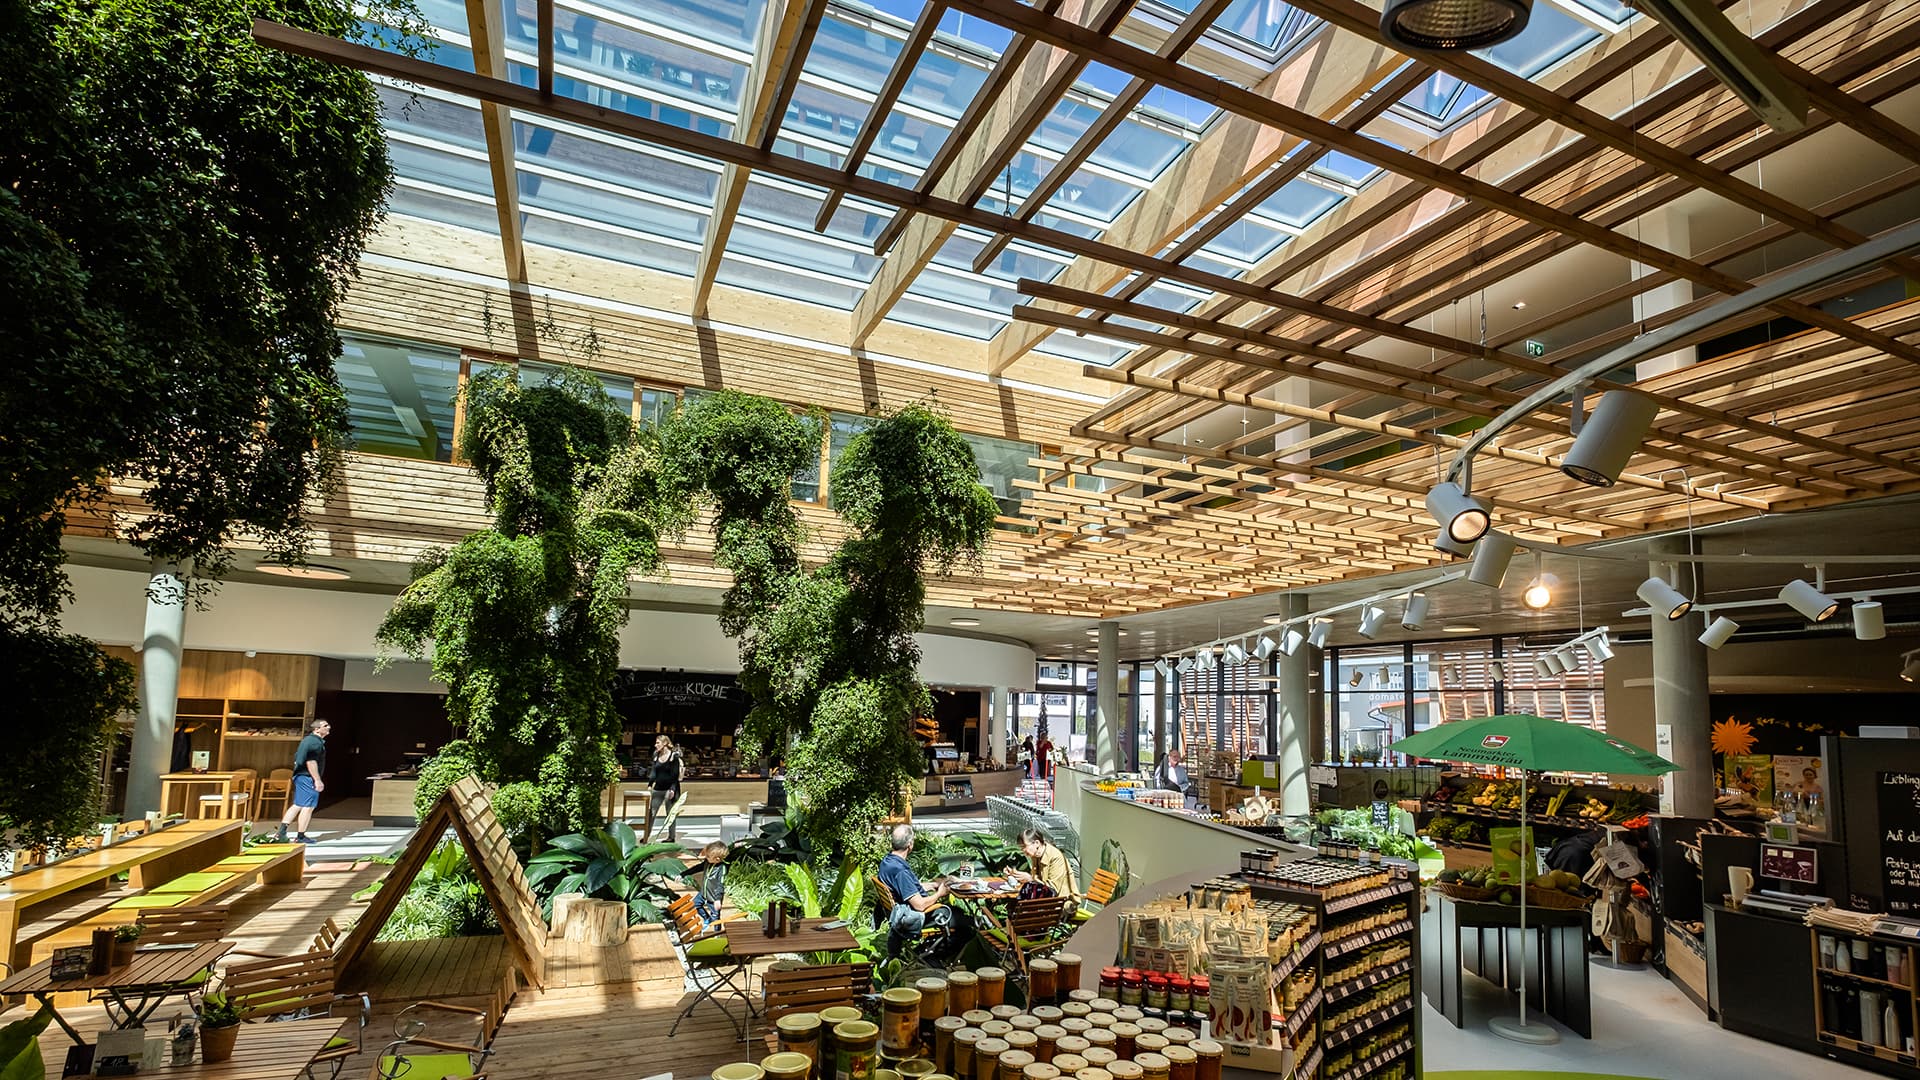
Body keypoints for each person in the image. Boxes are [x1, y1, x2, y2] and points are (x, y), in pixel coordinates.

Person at [878, 823, 953, 957]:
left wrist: (932, 885)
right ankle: (934, 957)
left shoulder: (888, 862)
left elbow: (907, 889)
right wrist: (939, 894)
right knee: (964, 921)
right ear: (910, 844)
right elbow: (919, 905)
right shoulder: (900, 871)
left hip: (899, 911)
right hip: (915, 916)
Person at [275, 719, 330, 844]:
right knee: (308, 806)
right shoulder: (315, 743)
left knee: (298, 804)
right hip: (307, 777)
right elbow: (311, 762)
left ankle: (281, 832)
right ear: (316, 729)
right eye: (325, 726)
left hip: (300, 776)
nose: (328, 727)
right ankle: (300, 836)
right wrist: (317, 780)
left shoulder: (307, 741)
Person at [1008, 827, 1077, 902]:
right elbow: (1036, 879)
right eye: (1021, 848)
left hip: (1060, 904)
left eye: (1024, 846)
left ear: (1037, 843)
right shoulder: (1036, 854)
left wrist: (1030, 879)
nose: (1023, 850)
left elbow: (1052, 890)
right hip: (1042, 900)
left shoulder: (1055, 857)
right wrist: (1015, 875)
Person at [643, 736, 683, 843]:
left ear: (665, 743)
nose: (655, 745)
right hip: (659, 788)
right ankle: (646, 835)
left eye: (657, 743)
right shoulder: (656, 755)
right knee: (651, 813)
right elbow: (654, 771)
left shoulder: (673, 756)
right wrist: (650, 784)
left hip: (670, 789)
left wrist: (672, 789)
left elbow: (675, 775)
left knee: (670, 814)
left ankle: (671, 837)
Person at [691, 840, 729, 926]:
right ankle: (707, 918)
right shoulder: (707, 862)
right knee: (695, 904)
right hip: (704, 893)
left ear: (717, 859)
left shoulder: (721, 868)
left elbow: (720, 884)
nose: (706, 857)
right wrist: (683, 874)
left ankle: (717, 935)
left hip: (713, 897)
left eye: (708, 856)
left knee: (716, 918)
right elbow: (697, 868)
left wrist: (718, 899)